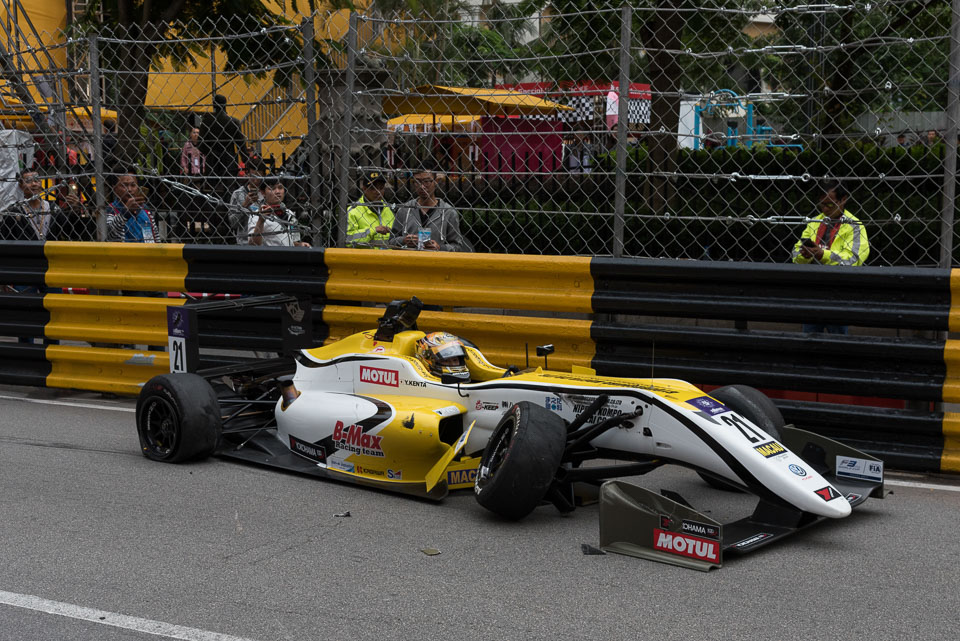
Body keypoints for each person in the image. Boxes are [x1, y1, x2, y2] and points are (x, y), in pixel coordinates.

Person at [791, 182, 869, 334]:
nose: (825, 209)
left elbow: (852, 261)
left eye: (830, 205)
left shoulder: (855, 226)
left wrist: (822, 254)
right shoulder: (815, 221)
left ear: (843, 200)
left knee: (838, 339)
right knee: (809, 339)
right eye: (822, 205)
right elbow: (795, 254)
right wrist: (805, 255)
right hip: (813, 293)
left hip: (839, 293)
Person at [390, 166, 470, 252]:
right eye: (417, 181)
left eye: (427, 181)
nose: (422, 186)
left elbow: (457, 246)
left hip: (436, 263)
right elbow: (391, 241)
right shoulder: (405, 210)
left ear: (435, 182)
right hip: (410, 262)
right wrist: (403, 240)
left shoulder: (448, 212)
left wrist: (440, 248)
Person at [0, 170, 77, 241]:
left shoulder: (53, 208)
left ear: (40, 183)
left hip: (50, 254)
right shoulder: (14, 211)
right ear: (20, 185)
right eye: (28, 181)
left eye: (36, 180)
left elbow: (71, 231)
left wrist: (74, 210)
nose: (34, 184)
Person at [200, 94, 247, 196]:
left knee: (212, 190)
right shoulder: (233, 122)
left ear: (214, 105)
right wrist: (245, 158)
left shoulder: (206, 122)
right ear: (225, 104)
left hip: (212, 159)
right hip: (228, 158)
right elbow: (240, 142)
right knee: (229, 189)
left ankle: (213, 208)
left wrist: (208, 152)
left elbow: (201, 143)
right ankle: (229, 207)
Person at [247, 174, 310, 247]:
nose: (277, 191)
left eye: (280, 188)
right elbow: (253, 243)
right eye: (272, 188)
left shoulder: (289, 213)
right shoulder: (256, 214)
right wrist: (261, 221)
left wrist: (300, 245)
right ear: (263, 192)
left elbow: (293, 241)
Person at [105, 171, 160, 243]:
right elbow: (110, 234)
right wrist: (125, 212)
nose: (129, 189)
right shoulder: (111, 210)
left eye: (133, 185)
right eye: (124, 185)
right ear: (115, 189)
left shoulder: (145, 209)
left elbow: (156, 237)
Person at [346, 170, 395, 248]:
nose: (378, 192)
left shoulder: (388, 208)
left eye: (381, 188)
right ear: (364, 189)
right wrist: (373, 230)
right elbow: (348, 240)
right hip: (366, 258)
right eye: (373, 188)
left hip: (388, 257)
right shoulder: (353, 211)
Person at [229, 156, 265, 245]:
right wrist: (244, 206)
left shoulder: (268, 194)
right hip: (244, 242)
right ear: (248, 174)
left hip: (266, 241)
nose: (255, 180)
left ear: (263, 175)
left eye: (258, 176)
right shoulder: (238, 194)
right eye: (253, 176)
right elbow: (233, 224)